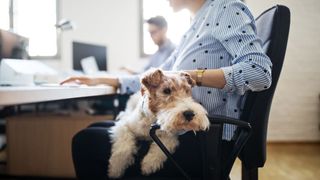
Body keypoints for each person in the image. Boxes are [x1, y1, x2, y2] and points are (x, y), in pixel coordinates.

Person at [62, 0, 272, 179]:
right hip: (178, 128)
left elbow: (260, 72)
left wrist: (194, 76)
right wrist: (105, 80)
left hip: (203, 140)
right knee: (95, 127)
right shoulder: (194, 25)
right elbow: (160, 76)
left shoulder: (226, 8)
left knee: (85, 141)